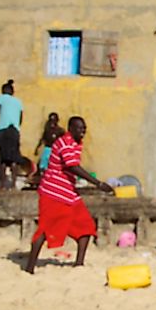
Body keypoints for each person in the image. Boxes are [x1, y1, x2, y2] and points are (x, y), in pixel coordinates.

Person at [24, 116, 114, 274]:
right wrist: (98, 183)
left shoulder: (76, 143)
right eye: (79, 128)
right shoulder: (64, 142)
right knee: (45, 230)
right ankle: (30, 267)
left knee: (86, 227)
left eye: (84, 128)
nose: (83, 131)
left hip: (68, 193)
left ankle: (79, 264)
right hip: (53, 193)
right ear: (70, 128)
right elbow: (72, 166)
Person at [0, 79, 24, 189]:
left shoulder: (1, 98)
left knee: (3, 158)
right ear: (12, 91)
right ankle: (13, 184)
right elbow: (21, 118)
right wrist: (16, 127)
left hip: (3, 130)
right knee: (14, 158)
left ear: (3, 91)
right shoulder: (18, 102)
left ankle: (2, 184)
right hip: (14, 131)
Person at [33, 112, 64, 177]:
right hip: (47, 149)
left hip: (55, 151)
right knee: (42, 165)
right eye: (50, 120)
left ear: (57, 121)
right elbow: (42, 139)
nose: (52, 122)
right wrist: (37, 148)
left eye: (53, 120)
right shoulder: (47, 130)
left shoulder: (60, 131)